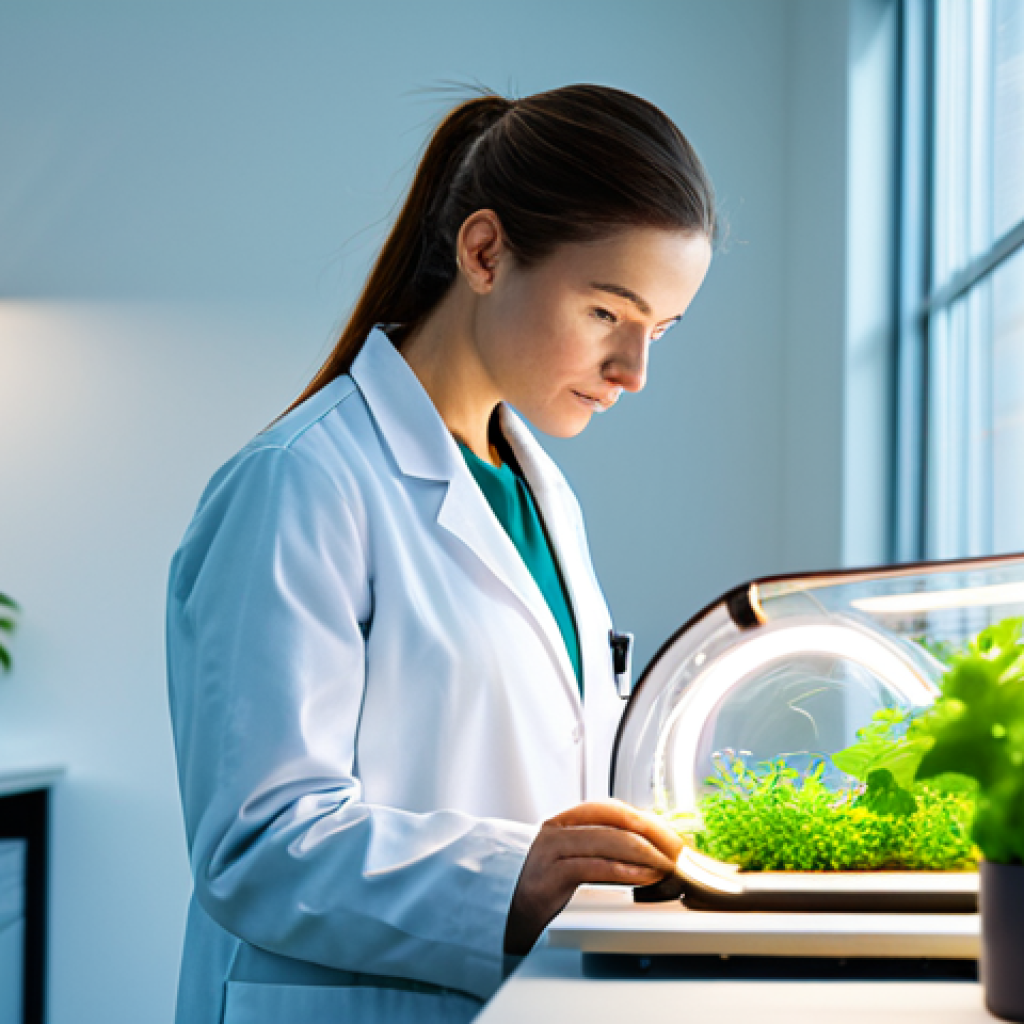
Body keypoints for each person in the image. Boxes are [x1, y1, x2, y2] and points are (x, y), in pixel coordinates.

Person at [166, 83, 715, 1024]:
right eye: (605, 314)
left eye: (657, 330)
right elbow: (256, 844)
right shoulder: (299, 481)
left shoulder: (537, 493)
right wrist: (515, 880)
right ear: (485, 253)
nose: (634, 372)